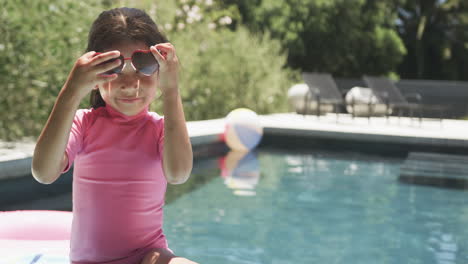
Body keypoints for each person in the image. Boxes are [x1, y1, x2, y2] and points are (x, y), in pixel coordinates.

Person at [31, 7, 197, 264]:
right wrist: (71, 90)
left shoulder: (161, 129)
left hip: (148, 256)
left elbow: (178, 174)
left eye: (144, 66)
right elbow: (43, 172)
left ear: (160, 70)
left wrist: (172, 91)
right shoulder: (84, 124)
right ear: (94, 75)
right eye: (116, 68)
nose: (130, 84)